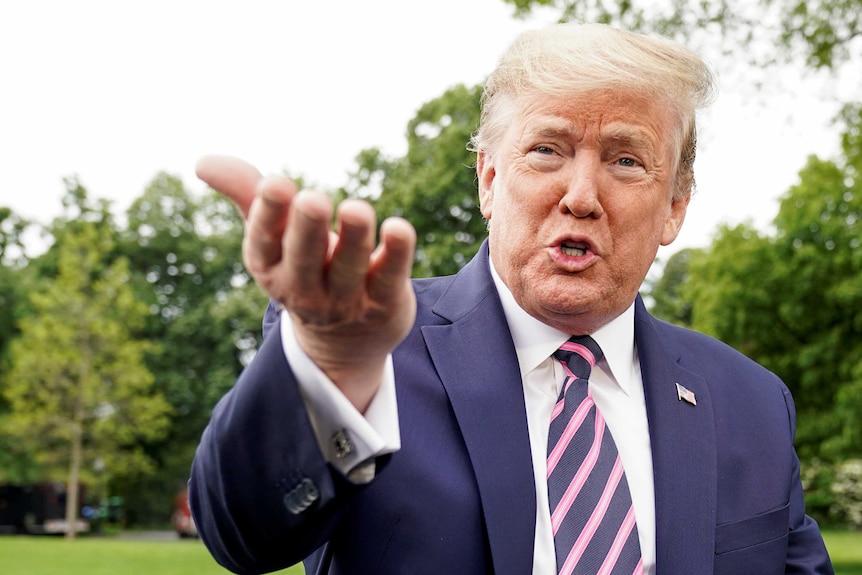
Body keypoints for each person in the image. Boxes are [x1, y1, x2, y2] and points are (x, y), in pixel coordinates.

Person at [188, 23, 834, 575]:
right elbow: (242, 534)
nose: (581, 194)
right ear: (490, 180)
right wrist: (328, 361)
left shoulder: (751, 402)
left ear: (674, 208)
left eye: (626, 161)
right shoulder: (361, 348)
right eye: (547, 150)